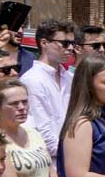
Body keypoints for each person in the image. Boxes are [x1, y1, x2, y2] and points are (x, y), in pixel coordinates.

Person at [18, 18, 75, 155]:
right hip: (51, 161)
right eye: (65, 43)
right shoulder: (32, 80)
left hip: (72, 156)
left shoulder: (70, 77)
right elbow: (41, 129)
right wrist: (73, 153)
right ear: (44, 43)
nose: (71, 48)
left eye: (72, 43)